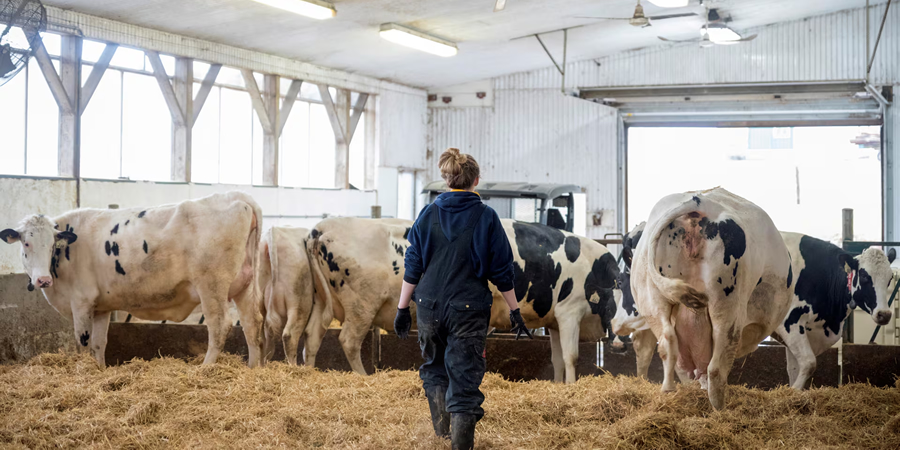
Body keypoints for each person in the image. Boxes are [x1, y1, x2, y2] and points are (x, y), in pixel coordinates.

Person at [394, 148, 532, 450]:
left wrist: (403, 308)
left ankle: (441, 439)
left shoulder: (428, 213)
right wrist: (515, 311)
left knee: (434, 369)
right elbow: (502, 271)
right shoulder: (486, 217)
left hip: (428, 307)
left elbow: (413, 264)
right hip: (468, 308)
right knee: (464, 377)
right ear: (476, 180)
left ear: (447, 180)